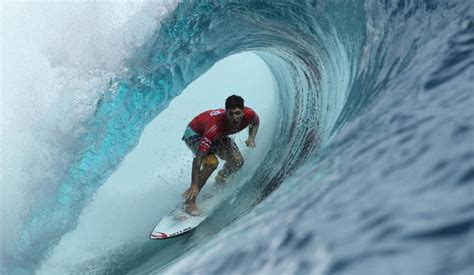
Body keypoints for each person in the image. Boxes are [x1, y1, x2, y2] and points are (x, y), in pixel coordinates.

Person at [181, 95, 260, 216]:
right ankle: (189, 203)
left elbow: (255, 123)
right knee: (211, 163)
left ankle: (221, 178)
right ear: (226, 113)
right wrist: (194, 184)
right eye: (231, 114)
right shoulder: (214, 128)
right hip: (194, 133)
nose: (235, 118)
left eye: (238, 113)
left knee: (238, 162)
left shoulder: (250, 114)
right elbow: (198, 159)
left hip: (219, 135)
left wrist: (251, 138)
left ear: (243, 112)